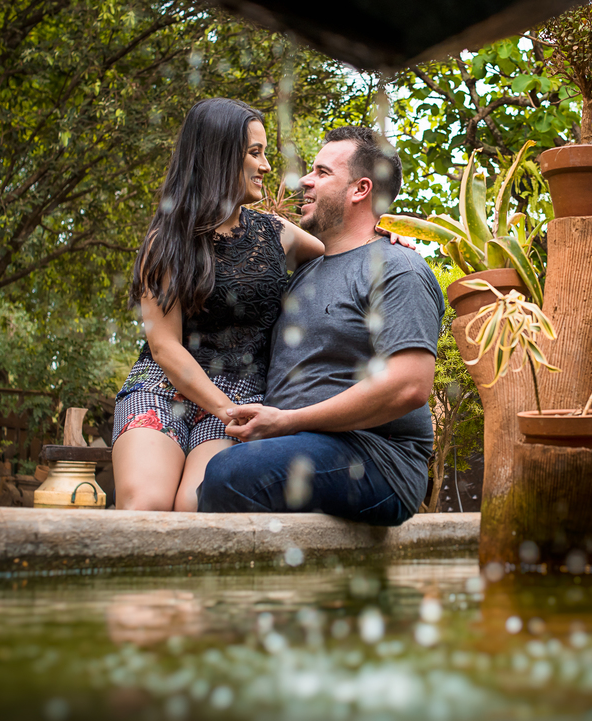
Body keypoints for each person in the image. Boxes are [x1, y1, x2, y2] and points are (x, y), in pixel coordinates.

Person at [197, 126, 444, 526]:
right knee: (201, 480)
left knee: (231, 474)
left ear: (360, 190)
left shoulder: (399, 268)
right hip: (295, 444)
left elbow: (409, 386)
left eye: (322, 172)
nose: (305, 181)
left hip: (376, 457)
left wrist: (289, 421)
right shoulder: (307, 271)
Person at [111, 97, 324, 512]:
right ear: (219, 156)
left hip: (242, 391)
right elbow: (164, 346)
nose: (266, 167)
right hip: (162, 387)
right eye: (255, 153)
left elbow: (345, 252)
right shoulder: (168, 240)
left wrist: (389, 238)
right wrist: (225, 411)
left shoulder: (276, 233)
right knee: (146, 505)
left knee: (196, 506)